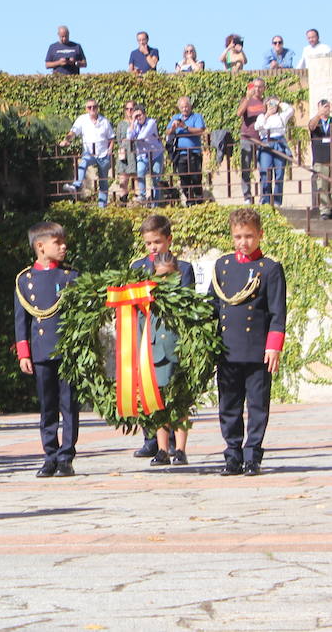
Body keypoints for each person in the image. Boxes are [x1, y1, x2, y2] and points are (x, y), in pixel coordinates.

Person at [209, 207, 285, 476]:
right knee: (228, 405)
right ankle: (232, 454)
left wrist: (274, 346)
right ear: (232, 236)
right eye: (239, 236)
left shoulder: (270, 269)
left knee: (256, 406)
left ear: (260, 235)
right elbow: (213, 306)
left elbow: (278, 311)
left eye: (249, 236)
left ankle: (252, 455)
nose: (244, 242)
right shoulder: (223, 265)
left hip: (256, 350)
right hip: (228, 348)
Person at [13, 221, 81, 478]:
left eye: (64, 242)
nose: (64, 247)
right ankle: (49, 455)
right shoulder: (25, 280)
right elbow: (21, 320)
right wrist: (24, 353)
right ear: (40, 247)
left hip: (66, 350)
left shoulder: (70, 276)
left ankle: (66, 457)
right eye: (58, 243)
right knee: (47, 406)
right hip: (41, 351)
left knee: (68, 405)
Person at [128, 214, 196, 465]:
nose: (153, 248)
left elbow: (187, 303)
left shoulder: (184, 268)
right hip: (149, 341)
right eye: (148, 243)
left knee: (179, 397)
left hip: (175, 341)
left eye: (157, 241)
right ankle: (160, 448)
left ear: (169, 240)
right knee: (155, 397)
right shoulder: (137, 268)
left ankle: (180, 449)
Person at [61, 100, 114, 207]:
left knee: (103, 180)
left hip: (103, 153)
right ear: (86, 109)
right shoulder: (82, 119)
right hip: (89, 152)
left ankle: (102, 206)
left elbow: (111, 137)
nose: (92, 109)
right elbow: (73, 132)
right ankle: (76, 186)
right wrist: (66, 140)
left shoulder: (104, 121)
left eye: (94, 107)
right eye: (89, 107)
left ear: (97, 108)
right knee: (83, 163)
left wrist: (110, 150)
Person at [165, 96, 207, 205]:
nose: (185, 109)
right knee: (183, 178)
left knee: (196, 177)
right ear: (179, 108)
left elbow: (200, 131)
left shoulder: (196, 117)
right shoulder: (176, 117)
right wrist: (174, 128)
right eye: (182, 107)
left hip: (194, 153)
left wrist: (185, 127)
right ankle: (189, 200)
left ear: (190, 106)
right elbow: (167, 132)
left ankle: (199, 200)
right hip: (180, 153)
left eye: (186, 106)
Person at [255, 97, 294, 206]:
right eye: (270, 103)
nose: (272, 105)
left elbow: (290, 110)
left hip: (279, 143)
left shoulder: (281, 116)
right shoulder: (262, 116)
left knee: (279, 173)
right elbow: (257, 126)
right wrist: (267, 114)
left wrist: (280, 102)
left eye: (274, 103)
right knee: (265, 172)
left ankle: (277, 202)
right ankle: (266, 200)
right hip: (265, 142)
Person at [126, 103, 164, 206]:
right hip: (142, 155)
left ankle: (155, 204)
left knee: (155, 179)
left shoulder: (151, 123)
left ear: (145, 114)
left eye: (140, 115)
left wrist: (134, 136)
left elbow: (142, 136)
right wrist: (132, 122)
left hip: (156, 153)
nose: (138, 118)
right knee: (140, 172)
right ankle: (142, 195)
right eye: (136, 116)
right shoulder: (135, 124)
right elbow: (129, 137)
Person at [237, 79, 266, 203]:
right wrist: (248, 99)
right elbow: (239, 113)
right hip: (247, 138)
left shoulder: (265, 102)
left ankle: (263, 197)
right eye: (255, 87)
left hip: (261, 139)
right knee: (246, 169)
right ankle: (247, 197)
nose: (257, 89)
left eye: (260, 87)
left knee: (263, 169)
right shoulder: (246, 100)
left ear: (264, 88)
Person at [309, 99, 332, 220]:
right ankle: (325, 211)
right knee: (322, 185)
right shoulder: (315, 121)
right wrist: (319, 114)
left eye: (327, 106)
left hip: (331, 158)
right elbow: (311, 127)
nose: (326, 109)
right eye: (323, 107)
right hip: (320, 159)